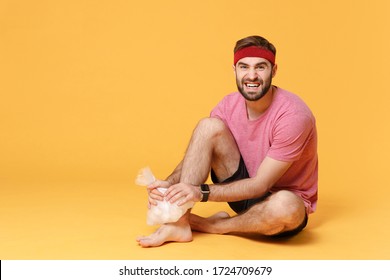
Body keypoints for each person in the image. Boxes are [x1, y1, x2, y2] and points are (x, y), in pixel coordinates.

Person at [136, 35, 318, 248]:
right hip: (240, 191)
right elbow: (199, 151)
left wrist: (201, 192)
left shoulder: (293, 115)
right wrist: (169, 184)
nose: (252, 75)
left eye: (260, 67)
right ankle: (180, 225)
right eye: (244, 67)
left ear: (274, 70)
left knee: (285, 206)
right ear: (234, 70)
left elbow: (261, 184)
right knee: (208, 126)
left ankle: (215, 226)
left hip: (277, 203)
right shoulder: (227, 105)